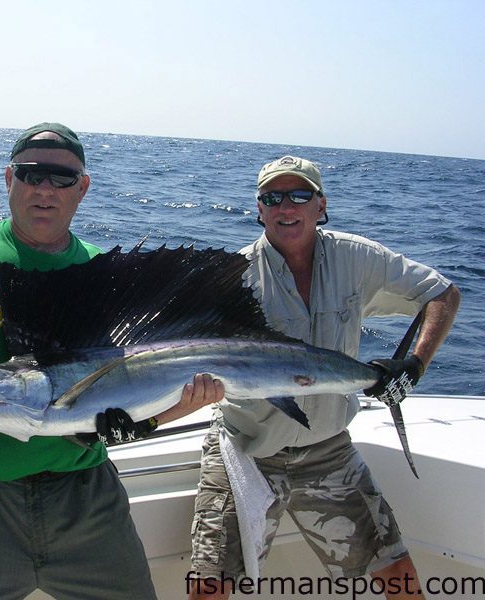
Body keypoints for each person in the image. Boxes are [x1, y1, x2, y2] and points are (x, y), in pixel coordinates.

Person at [0, 122, 221, 600]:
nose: (45, 190)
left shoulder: (97, 270)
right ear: (9, 179)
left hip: (86, 497)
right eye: (32, 175)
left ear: (83, 188)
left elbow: (123, 414)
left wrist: (181, 406)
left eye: (62, 179)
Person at [188, 155, 461, 600]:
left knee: (400, 577)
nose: (286, 206)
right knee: (207, 588)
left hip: (329, 449)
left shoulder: (357, 257)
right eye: (272, 197)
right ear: (259, 209)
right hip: (247, 448)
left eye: (299, 195)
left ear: (320, 204)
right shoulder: (231, 279)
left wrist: (413, 366)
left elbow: (442, 293)